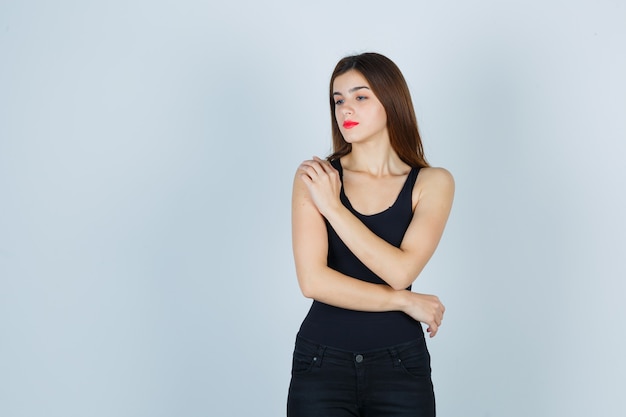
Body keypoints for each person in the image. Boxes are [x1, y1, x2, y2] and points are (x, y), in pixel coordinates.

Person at [287, 52, 455, 417]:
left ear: (390, 101)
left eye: (360, 97)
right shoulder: (315, 179)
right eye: (338, 100)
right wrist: (403, 301)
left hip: (400, 366)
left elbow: (400, 272)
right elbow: (313, 282)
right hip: (321, 363)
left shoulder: (432, 182)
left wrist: (333, 208)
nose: (346, 109)